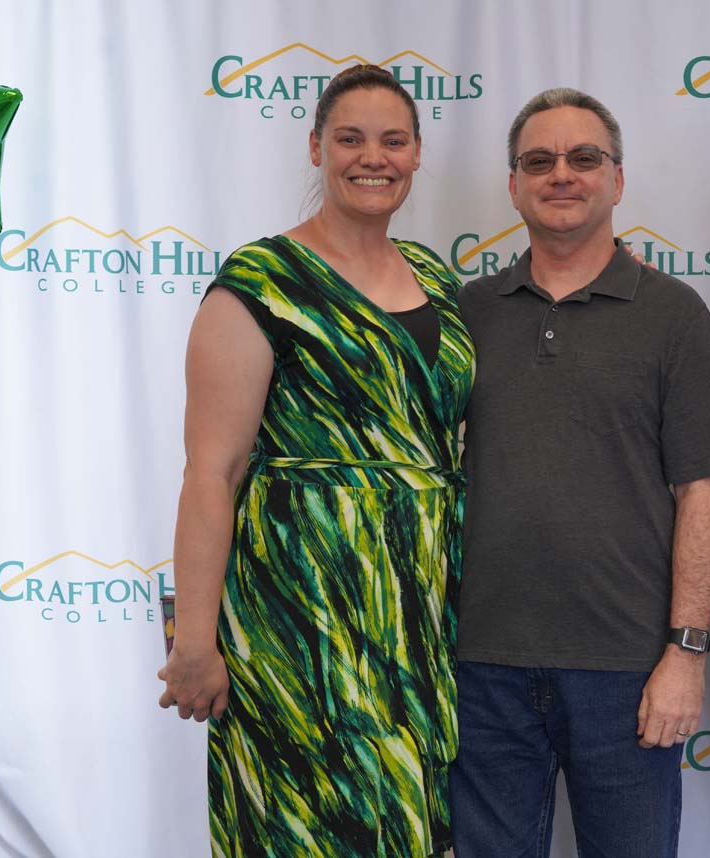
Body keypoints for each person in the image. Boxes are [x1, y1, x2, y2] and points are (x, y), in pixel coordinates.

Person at [156, 65, 473, 858]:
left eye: (393, 140)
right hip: (297, 612)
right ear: (316, 147)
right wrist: (194, 639)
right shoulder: (261, 282)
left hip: (419, 609)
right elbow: (211, 472)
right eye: (351, 139)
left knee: (408, 824)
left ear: (417, 152)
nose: (375, 157)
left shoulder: (437, 277)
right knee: (301, 827)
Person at [449, 88, 710, 858]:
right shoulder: (465, 314)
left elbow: (702, 491)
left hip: (628, 669)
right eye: (538, 161)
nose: (561, 175)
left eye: (584, 158)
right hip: (481, 666)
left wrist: (685, 651)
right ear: (513, 185)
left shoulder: (674, 314)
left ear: (617, 178)